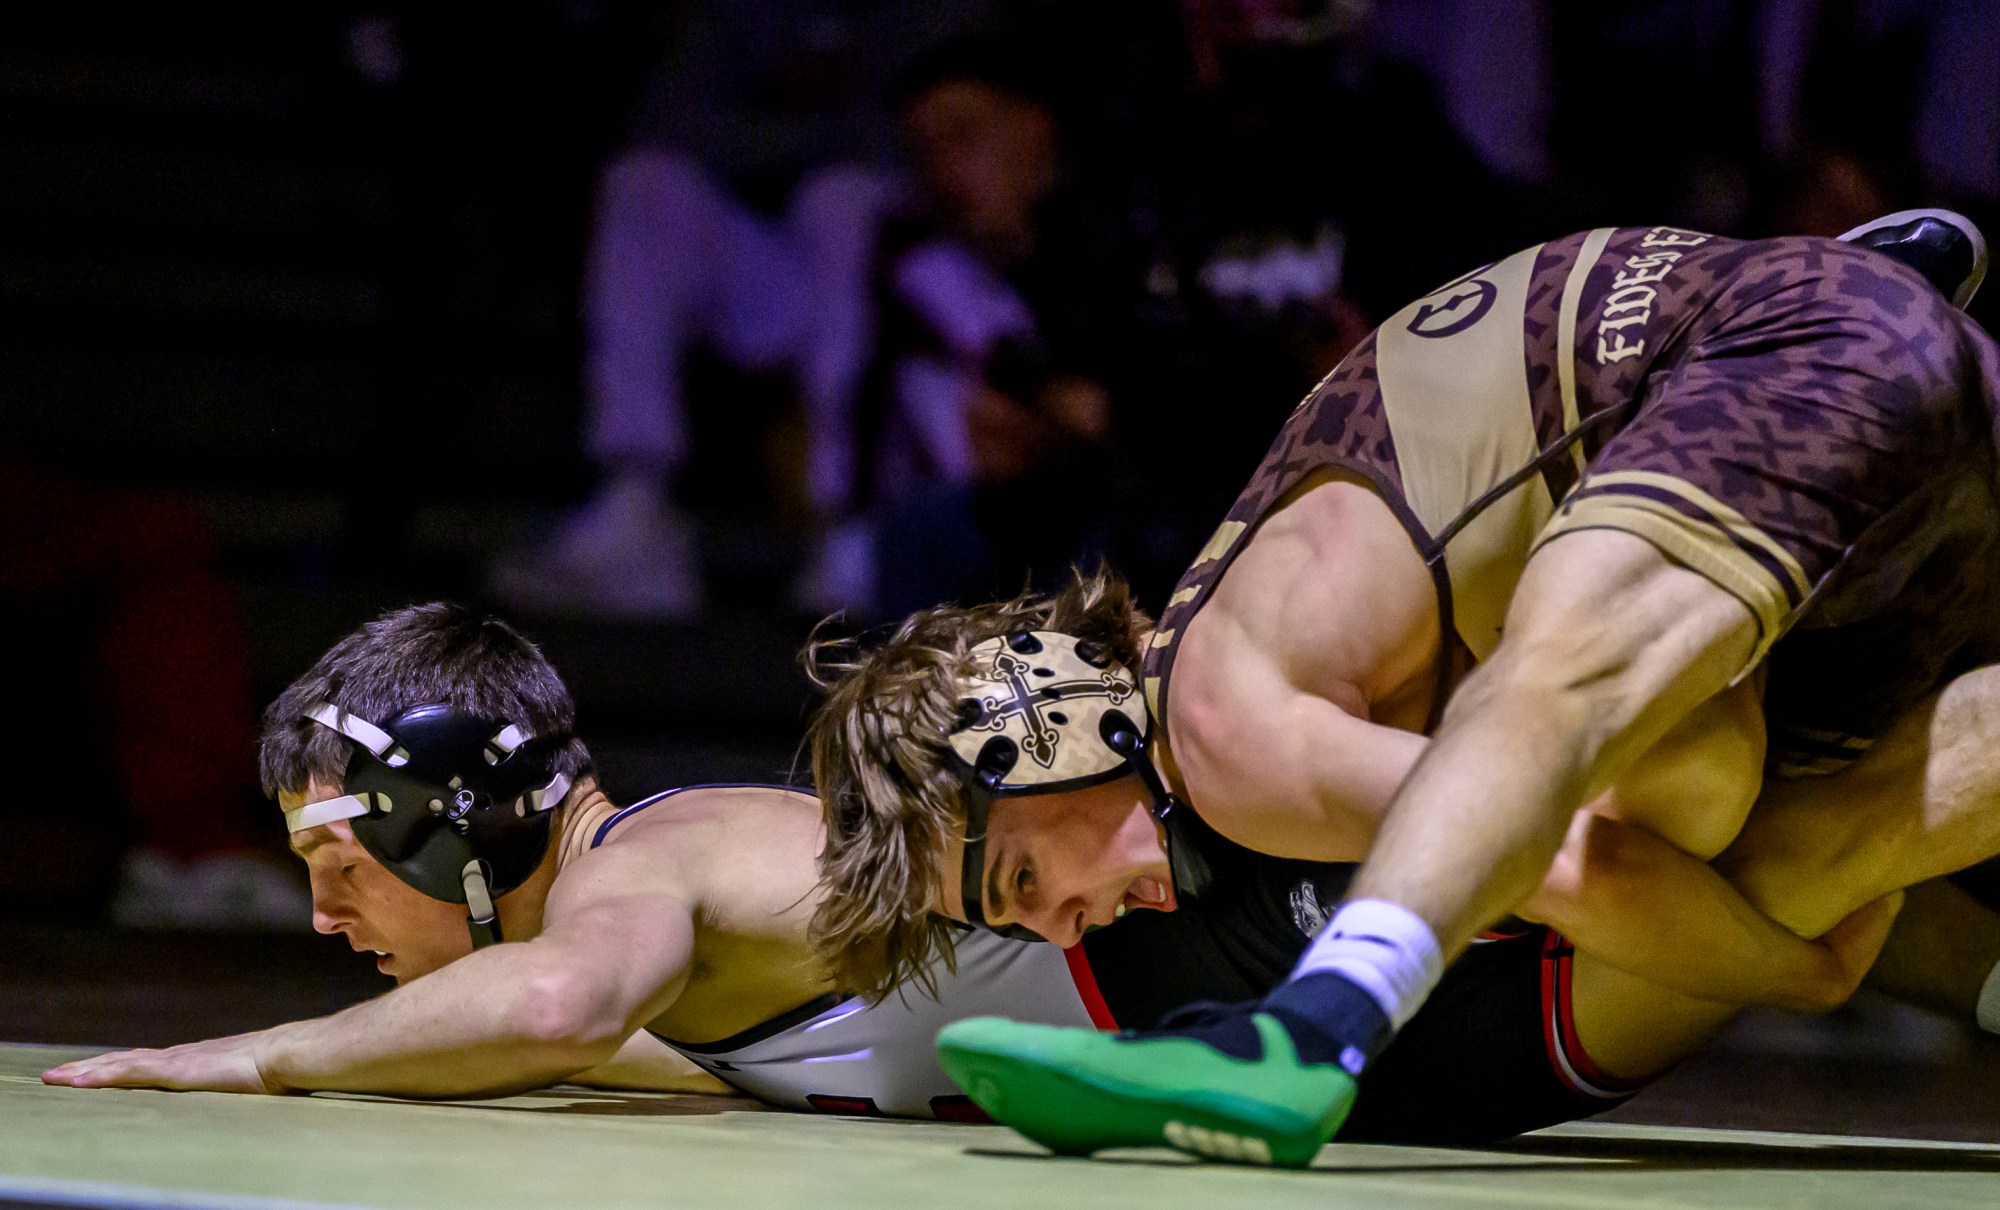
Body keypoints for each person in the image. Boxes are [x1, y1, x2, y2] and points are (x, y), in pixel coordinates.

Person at [803, 212, 2000, 1164]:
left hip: (1792, 366)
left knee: (1566, 724)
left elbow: (1580, 864)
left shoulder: (1217, 730)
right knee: (1734, 774)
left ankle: (1311, 1027)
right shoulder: (1243, 614)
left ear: (1043, 727)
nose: (1056, 929)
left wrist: (1793, 975)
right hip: (1844, 399)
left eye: (1019, 881)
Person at [34, 600, 1908, 1146]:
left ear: (463, 819)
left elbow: (546, 1002)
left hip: (1287, 969)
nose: (323, 916)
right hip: (1348, 1035)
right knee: (1843, 844)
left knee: (1825, 857)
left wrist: (249, 1056)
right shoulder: (657, 898)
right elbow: (563, 1041)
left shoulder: (649, 864)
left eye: (343, 862)